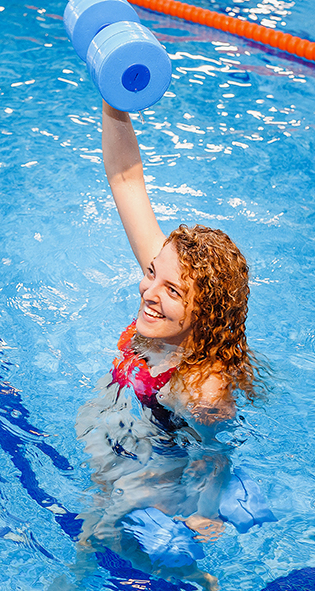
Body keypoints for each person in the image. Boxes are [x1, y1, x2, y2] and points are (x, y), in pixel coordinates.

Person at [73, 101, 266, 589]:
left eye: (173, 291)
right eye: (151, 273)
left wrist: (202, 513)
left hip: (150, 477)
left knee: (105, 548)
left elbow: (215, 455)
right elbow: (125, 180)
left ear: (203, 312)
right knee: (84, 550)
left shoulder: (200, 386)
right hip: (118, 453)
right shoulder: (165, 280)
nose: (149, 293)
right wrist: (112, 95)